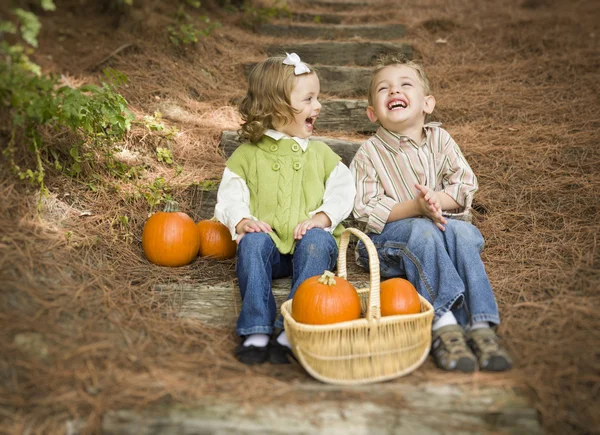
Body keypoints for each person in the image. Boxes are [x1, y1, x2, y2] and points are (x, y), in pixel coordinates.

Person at [349, 54, 512, 372]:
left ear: (427, 103)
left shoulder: (441, 140)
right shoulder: (369, 153)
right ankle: (445, 326)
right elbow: (365, 209)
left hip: (441, 228)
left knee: (463, 232)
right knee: (422, 230)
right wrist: (416, 207)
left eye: (405, 85)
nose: (394, 91)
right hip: (386, 242)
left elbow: (465, 184)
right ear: (372, 113)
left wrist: (437, 200)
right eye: (384, 89)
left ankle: (480, 327)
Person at [215, 53, 356, 365]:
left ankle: (291, 327)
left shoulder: (320, 154)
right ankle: (256, 329)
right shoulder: (247, 155)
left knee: (318, 240)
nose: (317, 107)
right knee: (251, 244)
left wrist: (323, 217)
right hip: (272, 250)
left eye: (317, 98)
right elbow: (230, 195)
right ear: (276, 107)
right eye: (308, 99)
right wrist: (242, 221)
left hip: (311, 249)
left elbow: (345, 189)